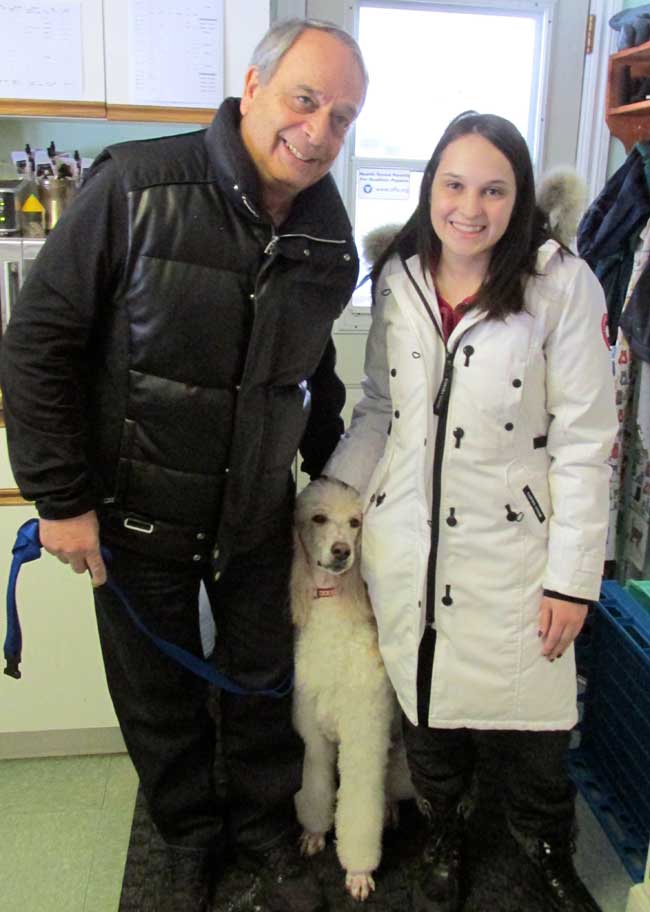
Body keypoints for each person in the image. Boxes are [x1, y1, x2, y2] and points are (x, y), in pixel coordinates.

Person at [0, 18, 367, 912]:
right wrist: (60, 498)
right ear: (254, 87)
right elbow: (37, 344)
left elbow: (310, 372)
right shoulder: (134, 187)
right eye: (305, 100)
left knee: (262, 683)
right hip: (134, 512)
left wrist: (337, 486)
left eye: (342, 117)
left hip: (255, 517)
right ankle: (189, 842)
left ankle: (265, 837)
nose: (319, 131)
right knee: (159, 700)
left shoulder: (329, 238)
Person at [325, 112, 617, 912]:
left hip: (519, 553)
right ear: (430, 188)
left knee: (537, 734)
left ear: (519, 200)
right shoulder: (399, 275)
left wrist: (573, 580)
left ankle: (547, 847)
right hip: (410, 546)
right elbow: (380, 407)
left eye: (494, 190)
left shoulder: (562, 285)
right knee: (428, 714)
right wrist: (334, 505)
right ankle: (443, 833)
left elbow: (587, 442)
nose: (470, 208)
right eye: (454, 185)